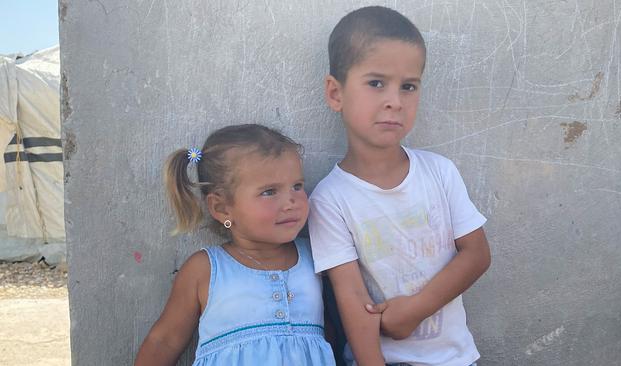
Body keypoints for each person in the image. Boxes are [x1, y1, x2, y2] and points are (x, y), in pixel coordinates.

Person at [308, 6, 491, 366]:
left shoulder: (439, 172)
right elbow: (351, 298)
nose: (395, 100)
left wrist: (415, 309)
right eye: (376, 83)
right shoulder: (330, 200)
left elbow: (477, 254)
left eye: (409, 87)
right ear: (335, 93)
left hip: (457, 359)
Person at [135, 124, 336, 365]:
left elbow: (329, 336)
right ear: (221, 208)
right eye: (270, 191)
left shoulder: (315, 256)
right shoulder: (206, 269)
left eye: (297, 186)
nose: (291, 202)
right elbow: (164, 340)